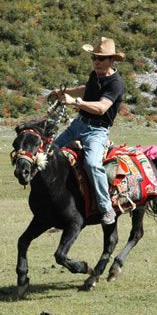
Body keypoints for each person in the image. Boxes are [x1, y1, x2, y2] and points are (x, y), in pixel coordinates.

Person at [50, 37, 125, 225]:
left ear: (111, 60)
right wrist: (63, 93)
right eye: (94, 58)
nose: (96, 62)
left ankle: (106, 207)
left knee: (92, 164)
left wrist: (75, 102)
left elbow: (101, 107)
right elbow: (86, 89)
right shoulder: (95, 75)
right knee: (49, 152)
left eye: (101, 59)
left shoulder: (116, 83)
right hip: (79, 124)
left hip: (97, 131)